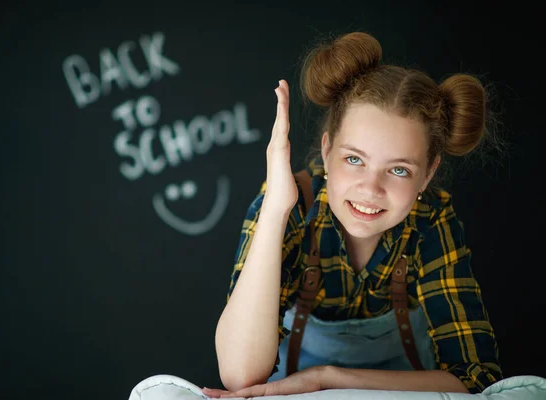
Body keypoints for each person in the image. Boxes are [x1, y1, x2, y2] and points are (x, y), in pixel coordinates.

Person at [202, 31, 503, 398]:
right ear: (327, 151)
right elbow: (239, 374)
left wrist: (327, 378)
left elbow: (476, 377)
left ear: (428, 173)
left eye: (399, 170)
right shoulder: (290, 205)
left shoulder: (432, 218)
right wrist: (276, 209)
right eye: (354, 159)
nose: (370, 189)